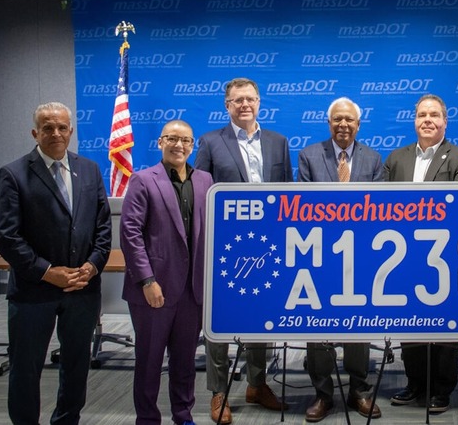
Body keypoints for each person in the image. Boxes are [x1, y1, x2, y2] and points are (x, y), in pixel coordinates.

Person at [0, 102, 112, 424]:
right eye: (48, 127)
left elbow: (102, 226)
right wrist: (48, 272)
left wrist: (92, 265)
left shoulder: (89, 169)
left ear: (71, 131)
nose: (56, 133)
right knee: (26, 369)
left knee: (76, 367)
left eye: (62, 127)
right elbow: (7, 237)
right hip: (34, 292)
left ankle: (66, 420)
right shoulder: (14, 173)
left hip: (83, 289)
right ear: (35, 133)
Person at [195, 77, 292, 424]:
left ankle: (257, 383)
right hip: (224, 247)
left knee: (259, 315)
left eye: (250, 99)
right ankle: (219, 392)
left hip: (267, 246)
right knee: (219, 321)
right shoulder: (209, 142)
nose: (244, 105)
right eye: (237, 100)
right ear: (227, 105)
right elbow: (200, 194)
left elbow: (287, 195)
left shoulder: (278, 142)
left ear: (259, 102)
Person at [384, 94, 458, 413]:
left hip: (444, 256)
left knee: (443, 325)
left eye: (434, 115)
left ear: (444, 122)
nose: (427, 120)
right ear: (414, 120)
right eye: (422, 114)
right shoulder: (396, 158)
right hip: (404, 256)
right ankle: (415, 383)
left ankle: (441, 388)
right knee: (410, 324)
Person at [121, 120, 214, 425]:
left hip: (192, 290)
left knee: (185, 360)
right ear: (160, 142)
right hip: (154, 288)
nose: (179, 146)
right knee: (149, 361)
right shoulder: (143, 180)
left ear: (193, 145)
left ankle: (183, 414)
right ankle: (147, 418)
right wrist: (147, 280)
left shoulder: (205, 180)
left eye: (185, 140)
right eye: (172, 139)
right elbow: (130, 233)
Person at [297, 97, 384, 422]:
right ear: (329, 123)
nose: (343, 124)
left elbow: (379, 209)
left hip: (360, 256)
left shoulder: (374, 159)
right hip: (319, 257)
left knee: (358, 325)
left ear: (358, 125)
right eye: (337, 119)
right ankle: (323, 394)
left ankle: (359, 390)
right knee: (317, 325)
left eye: (349, 120)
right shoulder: (308, 156)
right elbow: (302, 206)